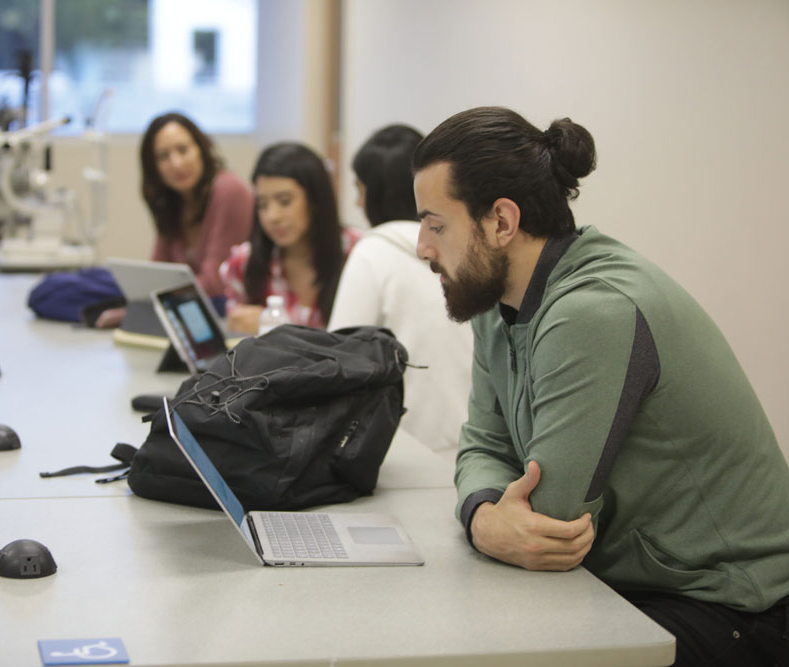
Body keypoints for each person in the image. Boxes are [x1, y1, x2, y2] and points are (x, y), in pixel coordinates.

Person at [412, 106, 789, 666]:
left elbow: (550, 525)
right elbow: (484, 446)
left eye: (435, 223)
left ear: (501, 221)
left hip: (729, 606)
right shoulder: (498, 305)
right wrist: (486, 517)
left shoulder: (594, 311)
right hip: (639, 586)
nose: (422, 247)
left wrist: (486, 516)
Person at [327, 125, 472, 455]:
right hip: (479, 449)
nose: (357, 202)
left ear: (374, 193)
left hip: (402, 449)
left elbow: (338, 362)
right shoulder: (464, 250)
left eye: (360, 190)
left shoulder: (373, 251)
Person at [220, 142, 360, 334]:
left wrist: (279, 329)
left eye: (284, 201)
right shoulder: (242, 263)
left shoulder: (357, 252)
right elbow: (237, 346)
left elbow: (365, 343)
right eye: (262, 204)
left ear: (315, 200)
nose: (272, 216)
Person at [140, 111, 253, 298]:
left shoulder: (229, 190)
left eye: (183, 150)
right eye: (163, 156)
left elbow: (216, 282)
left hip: (225, 304)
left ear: (201, 148)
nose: (176, 163)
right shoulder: (171, 201)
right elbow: (158, 273)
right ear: (154, 166)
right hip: (187, 301)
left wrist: (153, 300)